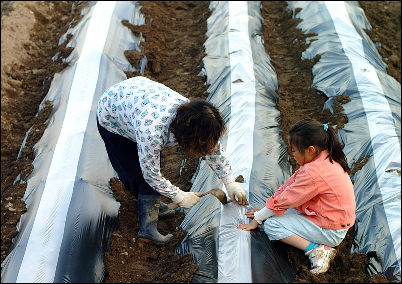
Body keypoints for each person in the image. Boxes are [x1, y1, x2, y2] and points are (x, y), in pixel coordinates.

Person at [97, 76, 248, 245]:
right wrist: (180, 197)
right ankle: (147, 228)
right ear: (186, 136)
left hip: (137, 105)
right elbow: (151, 174)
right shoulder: (153, 132)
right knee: (132, 175)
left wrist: (230, 182)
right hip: (113, 116)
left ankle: (152, 207)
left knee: (148, 172)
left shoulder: (196, 118)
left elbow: (213, 150)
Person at [237, 118, 356, 274]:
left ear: (310, 150)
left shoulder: (314, 172)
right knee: (273, 213)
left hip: (330, 230)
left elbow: (287, 199)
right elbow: (289, 188)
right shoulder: (325, 158)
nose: (292, 155)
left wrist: (259, 219)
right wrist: (266, 210)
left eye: (294, 150)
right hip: (329, 218)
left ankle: (318, 250)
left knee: (272, 225)